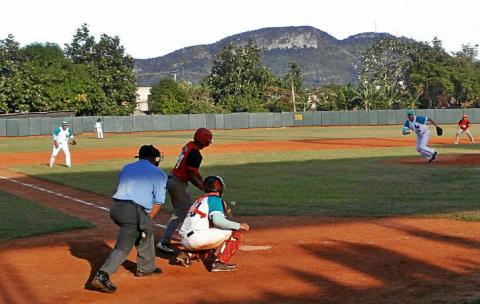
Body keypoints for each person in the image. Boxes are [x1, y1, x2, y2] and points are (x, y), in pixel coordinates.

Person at [91, 145, 167, 293]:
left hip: (116, 208)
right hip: (133, 212)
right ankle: (102, 275)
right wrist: (147, 218)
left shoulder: (127, 167)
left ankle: (147, 267)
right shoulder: (159, 174)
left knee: (147, 232)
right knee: (124, 245)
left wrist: (144, 223)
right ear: (153, 159)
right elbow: (158, 202)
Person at [176, 176, 250, 272]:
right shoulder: (214, 200)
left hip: (185, 239)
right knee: (234, 234)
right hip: (197, 238)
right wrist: (239, 225)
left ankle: (187, 254)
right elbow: (218, 221)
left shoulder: (199, 200)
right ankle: (219, 263)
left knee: (213, 243)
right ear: (219, 187)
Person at [157, 128, 213, 253]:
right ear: (204, 141)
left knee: (183, 211)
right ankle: (165, 241)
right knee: (183, 212)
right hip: (178, 183)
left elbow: (194, 172)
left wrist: (202, 181)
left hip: (172, 179)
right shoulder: (196, 154)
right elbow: (191, 176)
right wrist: (203, 188)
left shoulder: (189, 145)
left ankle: (186, 237)